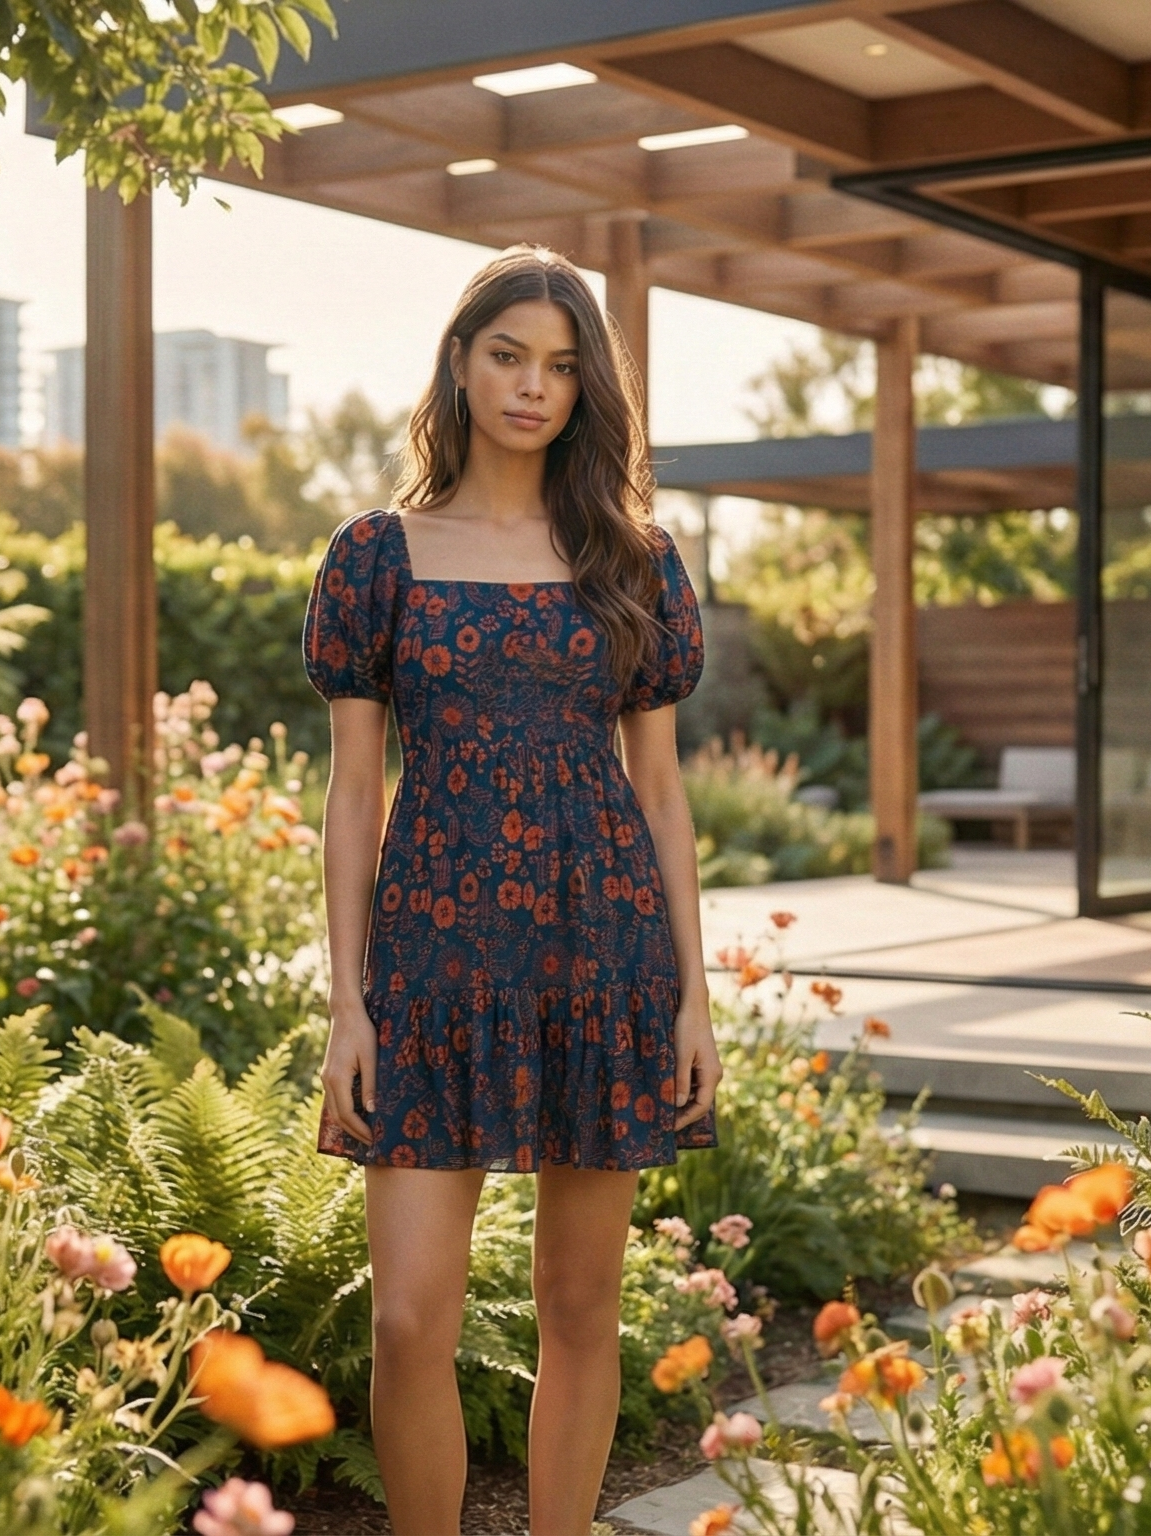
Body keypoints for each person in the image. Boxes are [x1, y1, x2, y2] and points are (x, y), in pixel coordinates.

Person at [299, 244, 720, 1536]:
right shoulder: (379, 557)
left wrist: (693, 1001)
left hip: (604, 958)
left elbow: (659, 795)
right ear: (460, 363)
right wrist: (349, 1003)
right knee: (410, 1316)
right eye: (507, 356)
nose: (532, 387)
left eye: (559, 364)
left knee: (581, 1309)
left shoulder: (631, 559)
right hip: (429, 963)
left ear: (588, 387)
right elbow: (354, 794)